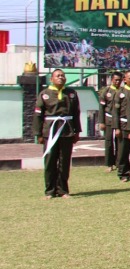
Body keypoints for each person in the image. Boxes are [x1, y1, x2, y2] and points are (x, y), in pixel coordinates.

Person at [34, 68, 79, 199]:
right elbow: (38, 115)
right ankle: (50, 191)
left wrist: (77, 131)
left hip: (67, 131)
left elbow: (76, 113)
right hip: (50, 131)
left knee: (64, 161)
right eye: (58, 76)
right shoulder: (44, 94)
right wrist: (38, 134)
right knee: (50, 161)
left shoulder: (71, 93)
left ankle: (63, 190)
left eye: (63, 76)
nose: (61, 77)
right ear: (51, 79)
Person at [100, 70, 122, 169]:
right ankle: (109, 164)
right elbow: (101, 107)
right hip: (109, 119)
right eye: (115, 80)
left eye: (119, 80)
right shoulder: (106, 91)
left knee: (119, 142)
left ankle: (118, 163)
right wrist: (101, 122)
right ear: (112, 80)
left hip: (120, 121)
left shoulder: (123, 91)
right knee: (109, 142)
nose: (117, 82)